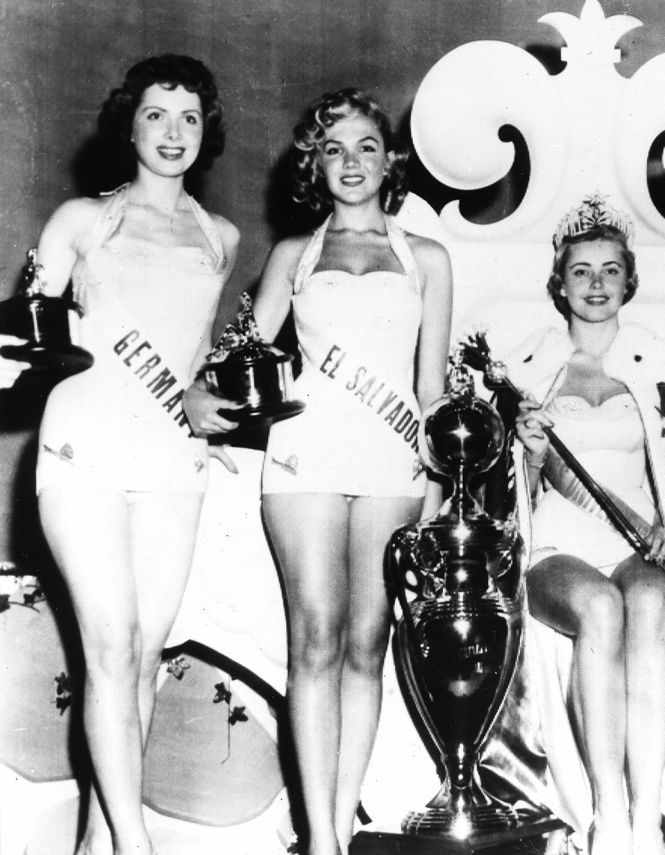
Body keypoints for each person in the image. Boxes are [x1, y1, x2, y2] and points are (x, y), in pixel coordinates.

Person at [31, 55, 239, 855]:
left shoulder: (218, 238)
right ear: (130, 123)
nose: (173, 132)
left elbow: (190, 363)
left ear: (205, 130)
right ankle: (136, 842)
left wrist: (206, 408)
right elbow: (27, 338)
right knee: (111, 646)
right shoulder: (82, 220)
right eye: (157, 114)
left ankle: (98, 842)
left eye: (189, 117)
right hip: (83, 445)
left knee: (143, 657)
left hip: (170, 461)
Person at [240, 88, 452, 855]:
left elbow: (431, 391)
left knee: (367, 641)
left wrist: (438, 476)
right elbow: (244, 362)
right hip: (306, 459)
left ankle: (342, 813)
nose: (351, 162)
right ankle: (320, 835)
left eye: (366, 146)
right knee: (317, 639)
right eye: (334, 149)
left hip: (392, 458)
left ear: (388, 160)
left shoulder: (426, 257)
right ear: (314, 164)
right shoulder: (292, 255)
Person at [509, 195, 665, 855]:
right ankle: (607, 813)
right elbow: (504, 497)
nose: (596, 284)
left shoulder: (658, 365)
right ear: (558, 284)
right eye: (582, 271)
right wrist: (527, 454)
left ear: (629, 280)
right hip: (557, 546)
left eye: (610, 271)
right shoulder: (526, 367)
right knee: (599, 605)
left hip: (635, 545)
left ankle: (646, 816)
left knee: (647, 599)